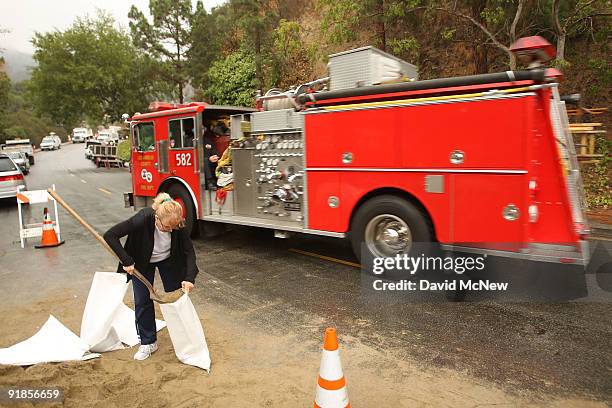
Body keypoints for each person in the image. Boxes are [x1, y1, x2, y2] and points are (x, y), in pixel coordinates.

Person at [103, 193, 199, 361]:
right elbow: (110, 235)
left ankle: (184, 339)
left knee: (175, 298)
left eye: (173, 228)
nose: (170, 231)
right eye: (166, 227)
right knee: (142, 300)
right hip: (141, 261)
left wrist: (189, 278)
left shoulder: (177, 224)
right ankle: (148, 342)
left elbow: (189, 252)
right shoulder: (144, 218)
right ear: (157, 219)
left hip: (168, 260)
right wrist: (127, 260)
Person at [203, 123, 220, 190]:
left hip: (210, 162)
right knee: (204, 160)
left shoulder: (208, 141)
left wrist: (216, 156)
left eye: (203, 129)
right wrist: (208, 159)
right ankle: (210, 181)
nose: (202, 131)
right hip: (197, 163)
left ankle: (221, 182)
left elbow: (215, 151)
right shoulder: (190, 141)